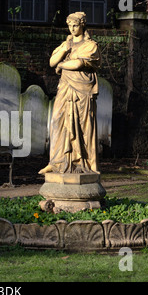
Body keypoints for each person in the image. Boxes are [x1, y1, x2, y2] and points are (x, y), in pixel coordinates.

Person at [39, 12, 101, 175]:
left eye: (75, 25)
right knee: (58, 121)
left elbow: (78, 63)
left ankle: (81, 161)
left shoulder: (90, 45)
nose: (72, 29)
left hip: (82, 90)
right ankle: (57, 161)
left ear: (82, 25)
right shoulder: (66, 44)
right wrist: (64, 51)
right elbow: (52, 62)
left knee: (81, 126)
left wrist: (62, 64)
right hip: (65, 87)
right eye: (70, 26)